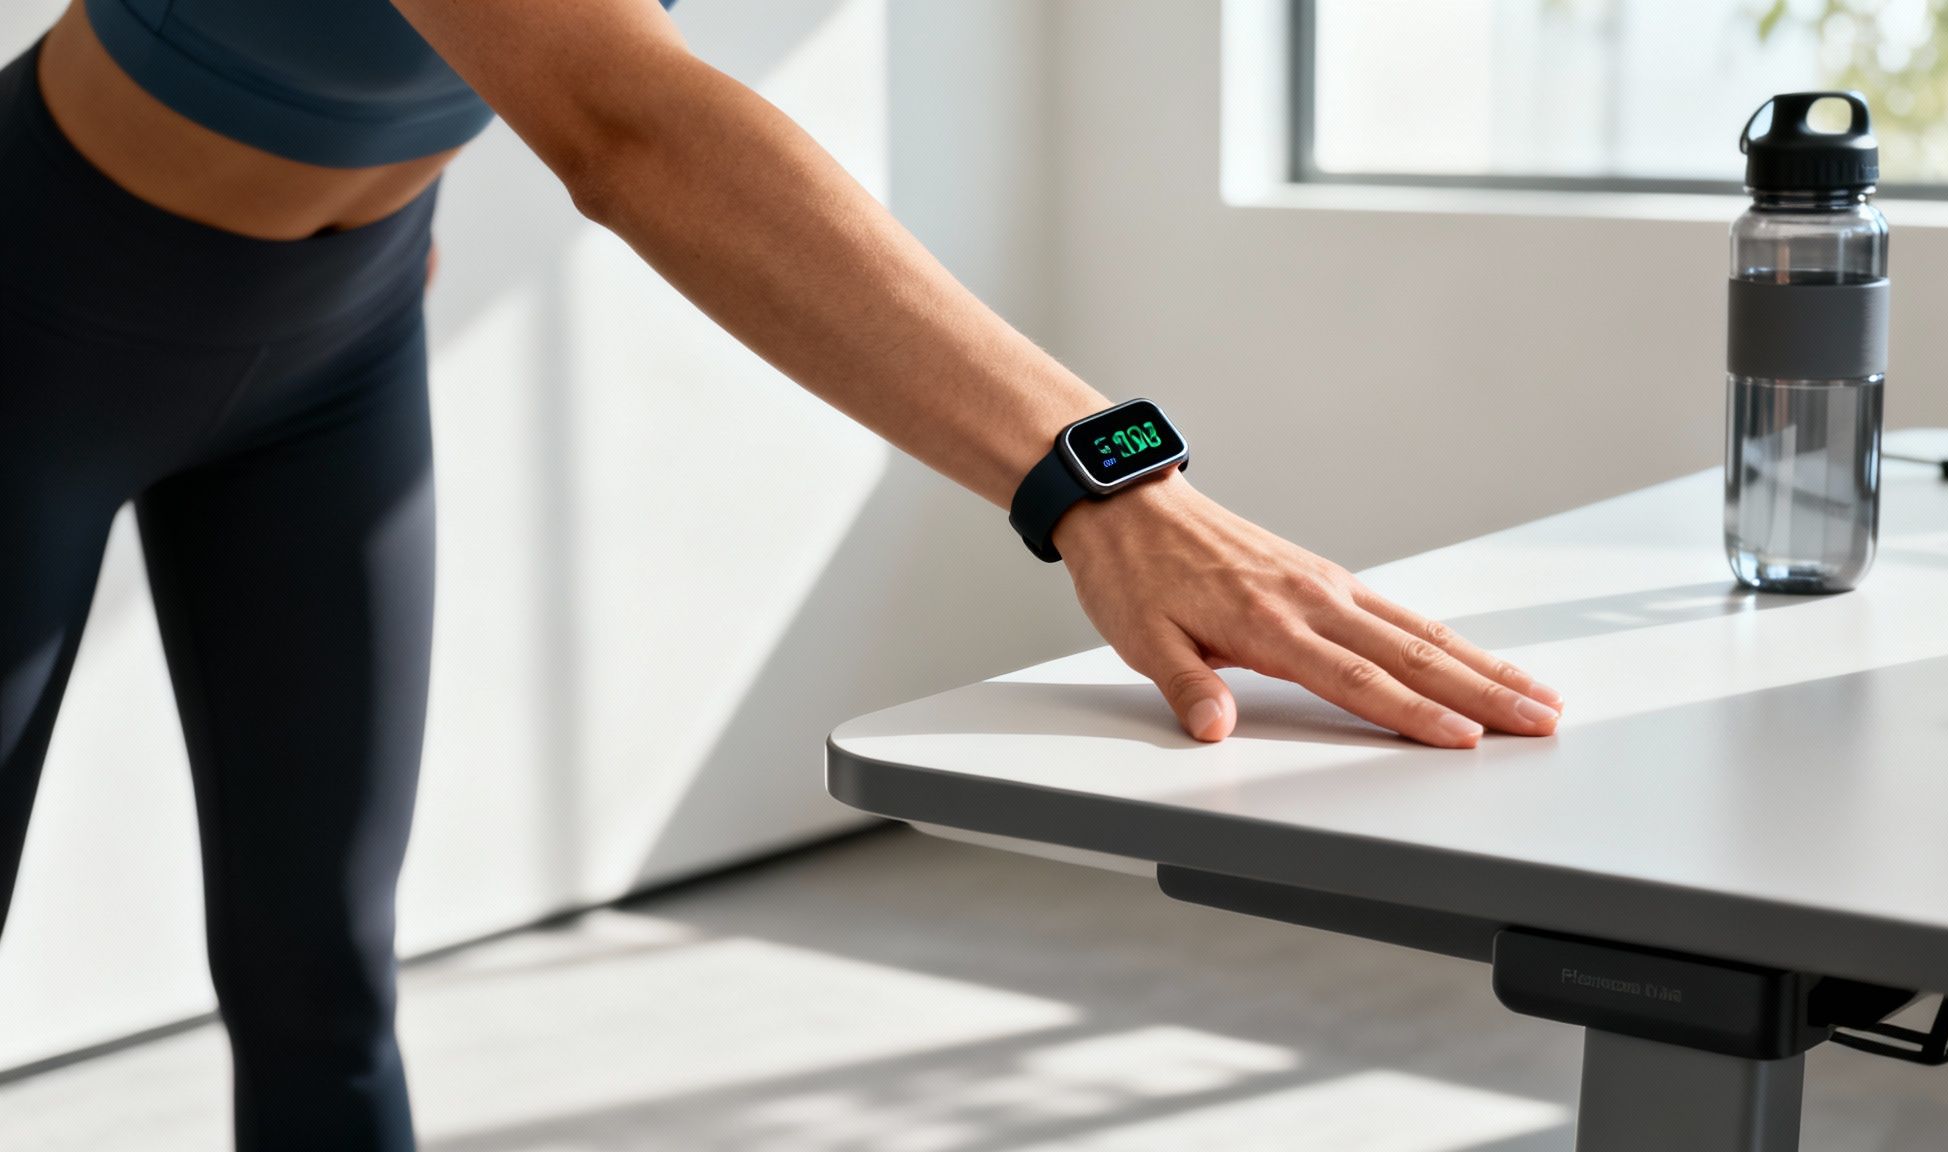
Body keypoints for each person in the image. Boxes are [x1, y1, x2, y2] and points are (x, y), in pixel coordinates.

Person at [0, 1, 1566, 1147]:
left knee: (322, 974)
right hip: (31, 315)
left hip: (333, 344)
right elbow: (626, 127)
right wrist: (1109, 479)